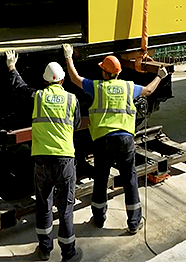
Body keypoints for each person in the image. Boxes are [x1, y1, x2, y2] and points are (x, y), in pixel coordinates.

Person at [62, 44, 167, 235]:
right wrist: (160, 76)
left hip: (103, 140)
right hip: (125, 140)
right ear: (118, 73)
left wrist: (68, 57)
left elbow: (74, 79)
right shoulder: (128, 87)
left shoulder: (97, 86)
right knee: (130, 179)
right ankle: (134, 223)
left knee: (101, 178)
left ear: (104, 72)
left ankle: (99, 218)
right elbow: (148, 91)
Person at [5, 49, 84, 262]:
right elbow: (76, 124)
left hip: (42, 160)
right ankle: (69, 254)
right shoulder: (72, 100)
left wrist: (12, 67)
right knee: (66, 208)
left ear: (45, 80)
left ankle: (45, 249)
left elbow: (20, 88)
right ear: (63, 80)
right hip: (65, 160)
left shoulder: (38, 97)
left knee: (44, 205)